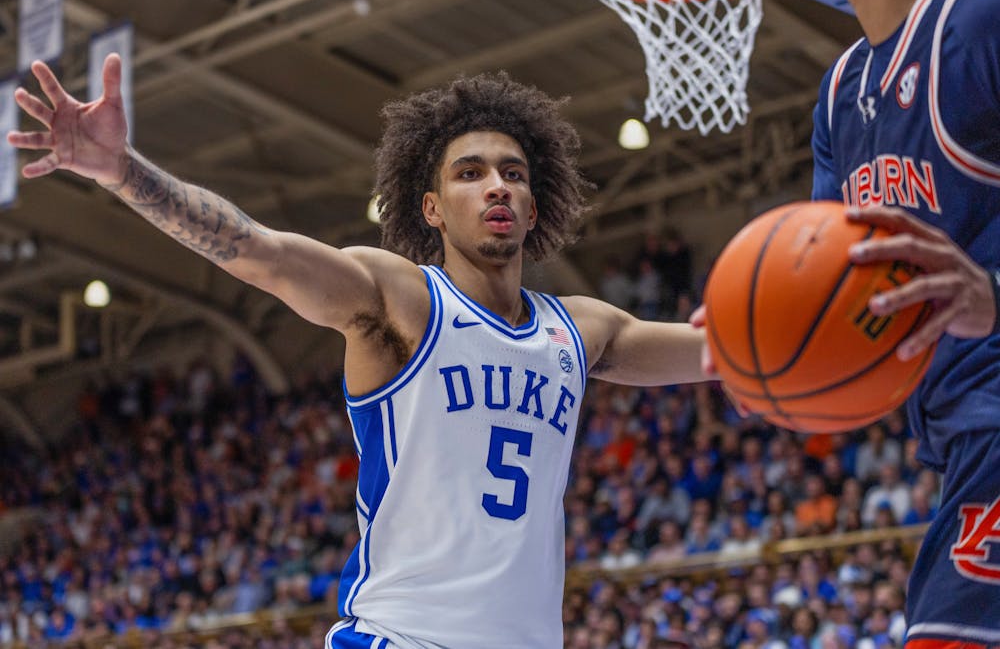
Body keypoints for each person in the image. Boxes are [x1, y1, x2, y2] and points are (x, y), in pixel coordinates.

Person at [8, 62, 707, 648]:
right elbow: (260, 252)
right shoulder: (400, 300)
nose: (497, 184)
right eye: (470, 173)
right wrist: (124, 172)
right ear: (431, 208)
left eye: (513, 174)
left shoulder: (582, 331)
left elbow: (726, 357)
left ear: (532, 205)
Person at [781, 0, 1000, 644]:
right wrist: (770, 348)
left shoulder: (983, 18)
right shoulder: (842, 92)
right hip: (958, 444)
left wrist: (993, 297)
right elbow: (840, 293)